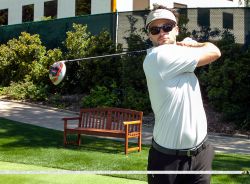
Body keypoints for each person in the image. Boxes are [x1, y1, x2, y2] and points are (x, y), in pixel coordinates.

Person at [143, 4, 221, 184]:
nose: (162, 32)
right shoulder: (158, 57)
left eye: (167, 27)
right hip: (167, 160)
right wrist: (196, 44)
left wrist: (189, 48)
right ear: (149, 35)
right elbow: (214, 51)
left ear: (176, 29)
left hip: (201, 154)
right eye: (155, 29)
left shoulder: (177, 53)